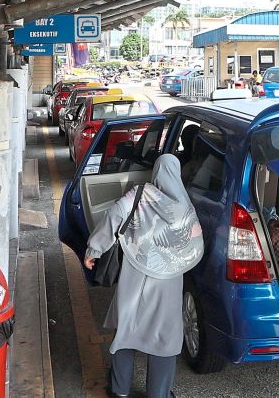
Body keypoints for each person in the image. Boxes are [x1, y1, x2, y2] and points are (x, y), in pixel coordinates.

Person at [83, 154, 203, 398]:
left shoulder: (140, 194)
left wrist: (94, 249)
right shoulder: (184, 206)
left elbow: (114, 216)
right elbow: (195, 242)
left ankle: (119, 390)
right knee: (165, 337)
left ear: (156, 172)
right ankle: (158, 394)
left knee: (126, 329)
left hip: (135, 274)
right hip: (169, 281)